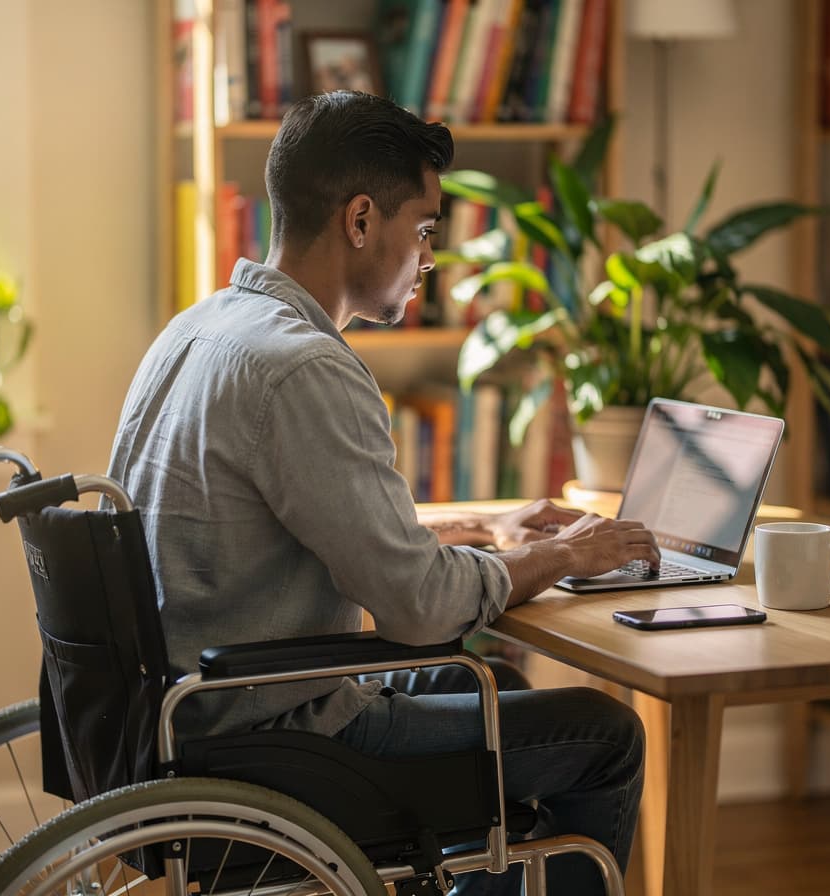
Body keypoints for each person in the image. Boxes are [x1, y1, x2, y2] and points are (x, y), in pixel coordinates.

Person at [108, 90, 656, 895]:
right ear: (361, 220)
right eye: (425, 230)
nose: (429, 258)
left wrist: (488, 534)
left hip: (179, 717)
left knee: (497, 686)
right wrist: (565, 555)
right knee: (606, 734)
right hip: (271, 735)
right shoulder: (306, 366)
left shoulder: (198, 330)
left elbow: (303, 535)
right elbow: (422, 611)